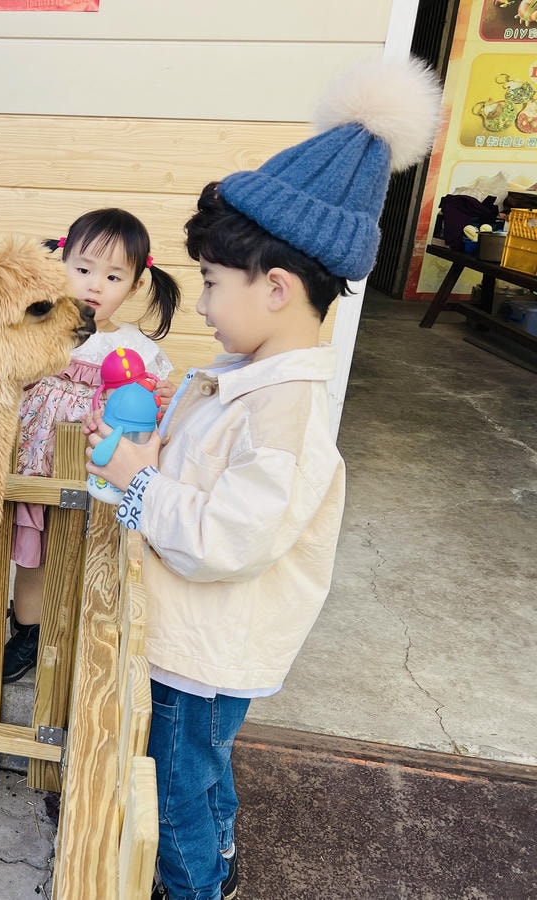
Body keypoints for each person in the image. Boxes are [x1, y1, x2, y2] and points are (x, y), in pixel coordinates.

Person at [82, 58, 441, 900]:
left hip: (201, 652)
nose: (201, 303)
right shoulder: (241, 381)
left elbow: (227, 537)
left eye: (211, 283)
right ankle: (223, 847)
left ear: (276, 288)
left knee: (176, 787)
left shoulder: (285, 417)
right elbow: (201, 475)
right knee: (202, 769)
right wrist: (154, 437)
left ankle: (196, 883)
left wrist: (140, 481)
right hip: (196, 642)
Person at [3, 207, 181, 684]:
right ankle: (27, 631)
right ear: (62, 266)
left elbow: (148, 414)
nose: (94, 285)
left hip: (99, 474)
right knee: (35, 555)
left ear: (137, 284)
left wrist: (163, 398)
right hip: (39, 469)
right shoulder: (39, 328)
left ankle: (81, 632)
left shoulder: (138, 350)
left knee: (92, 555)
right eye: (82, 269)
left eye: (112, 276)